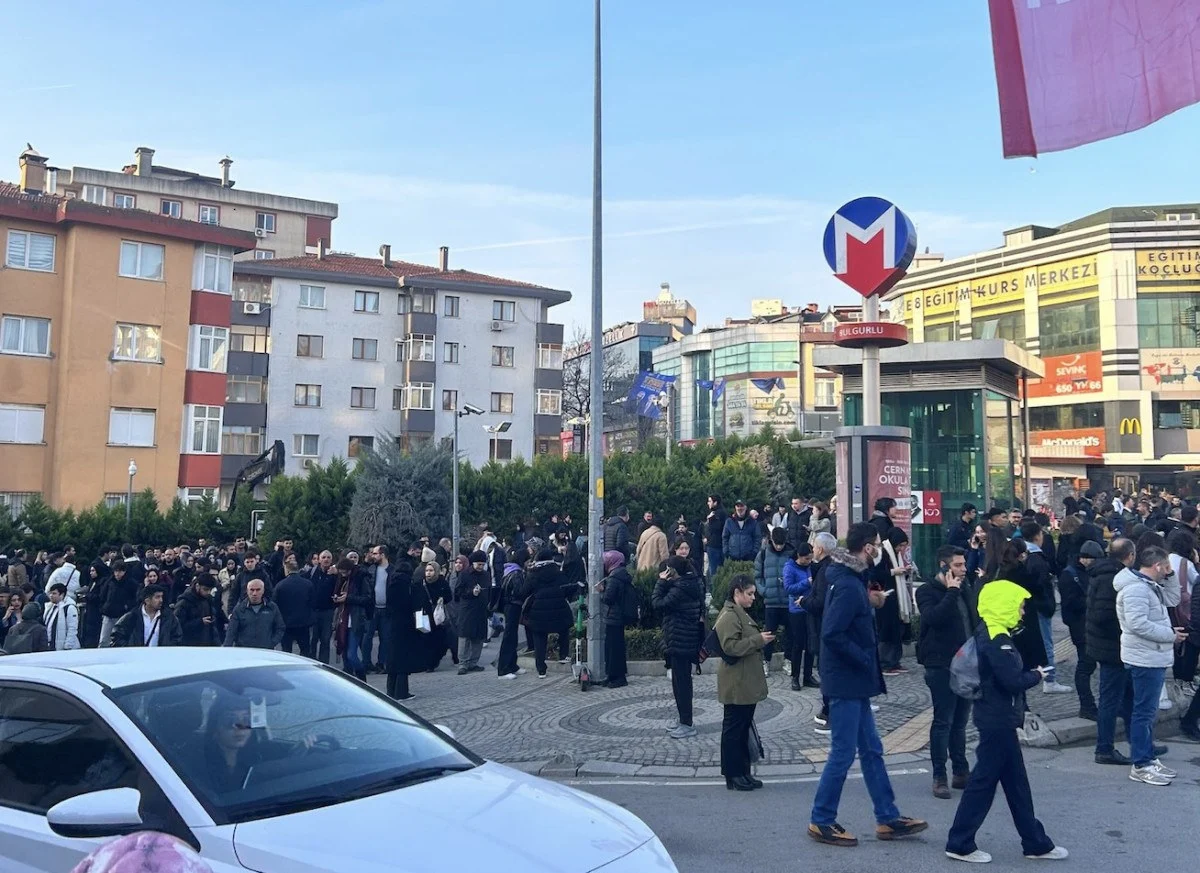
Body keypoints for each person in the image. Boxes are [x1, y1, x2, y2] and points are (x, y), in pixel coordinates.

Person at [808, 522, 927, 848]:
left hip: (853, 682)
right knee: (843, 753)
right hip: (847, 681)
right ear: (866, 547)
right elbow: (832, 634)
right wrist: (864, 659)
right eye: (876, 544)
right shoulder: (847, 584)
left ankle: (887, 817)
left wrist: (868, 599)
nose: (879, 549)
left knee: (872, 751)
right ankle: (821, 819)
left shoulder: (851, 579)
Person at [944, 580, 1067, 863]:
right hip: (997, 720)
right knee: (984, 784)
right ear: (1005, 606)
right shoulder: (998, 639)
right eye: (1020, 606)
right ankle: (961, 842)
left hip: (996, 718)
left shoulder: (990, 631)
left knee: (1015, 785)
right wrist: (1037, 675)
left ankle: (1035, 842)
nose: (1023, 612)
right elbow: (1011, 681)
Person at [1115, 545, 1183, 786]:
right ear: (1157, 566)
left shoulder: (1148, 586)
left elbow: (1173, 598)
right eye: (1166, 567)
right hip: (1144, 658)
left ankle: (1146, 758)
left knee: (1146, 711)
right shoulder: (1136, 590)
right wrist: (1169, 635)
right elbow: (1138, 624)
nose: (1168, 571)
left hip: (1150, 656)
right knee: (1143, 712)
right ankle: (1141, 763)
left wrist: (1172, 576)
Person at [916, 545, 977, 799]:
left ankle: (961, 771)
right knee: (944, 720)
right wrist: (952, 591)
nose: (963, 570)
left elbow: (973, 619)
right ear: (944, 566)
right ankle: (939, 775)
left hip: (966, 663)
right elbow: (933, 618)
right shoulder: (927, 591)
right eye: (958, 566)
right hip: (940, 664)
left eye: (964, 565)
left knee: (961, 721)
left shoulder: (965, 587)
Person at [715, 573, 772, 791]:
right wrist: (758, 640)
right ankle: (733, 775)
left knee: (742, 728)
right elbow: (731, 647)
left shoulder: (739, 613)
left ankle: (743, 772)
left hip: (744, 681)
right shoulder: (729, 615)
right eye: (749, 594)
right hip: (737, 682)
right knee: (734, 730)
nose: (753, 598)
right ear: (737, 593)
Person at [1086, 537, 1139, 765]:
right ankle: (1104, 748)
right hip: (1113, 649)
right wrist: (1126, 628)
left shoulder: (1106, 573)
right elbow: (1103, 616)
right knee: (1111, 700)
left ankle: (1139, 742)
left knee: (1129, 697)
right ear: (1129, 556)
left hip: (1114, 647)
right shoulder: (1113, 578)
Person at [652, 556, 705, 739]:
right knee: (680, 683)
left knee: (682, 684)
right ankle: (684, 720)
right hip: (684, 640)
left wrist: (660, 582)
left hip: (680, 641)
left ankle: (687, 723)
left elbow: (658, 603)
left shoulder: (680, 589)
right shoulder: (690, 585)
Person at [1059, 539, 1104, 719]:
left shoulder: (1083, 572)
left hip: (1088, 626)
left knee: (1090, 664)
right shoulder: (1070, 575)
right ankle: (1087, 705)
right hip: (1081, 627)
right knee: (1086, 665)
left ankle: (1091, 704)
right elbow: (1069, 607)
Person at [519, 547, 574, 677]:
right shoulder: (559, 573)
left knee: (539, 638)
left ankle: (541, 669)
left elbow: (524, 592)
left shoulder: (533, 574)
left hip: (538, 611)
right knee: (563, 630)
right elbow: (568, 589)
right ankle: (563, 655)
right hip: (559, 609)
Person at [755, 526, 794, 678]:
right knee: (769, 633)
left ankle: (788, 660)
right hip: (771, 601)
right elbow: (757, 575)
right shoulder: (764, 553)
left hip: (787, 600)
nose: (779, 547)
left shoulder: (791, 552)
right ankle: (766, 661)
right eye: (777, 544)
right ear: (772, 541)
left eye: (781, 544)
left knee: (789, 634)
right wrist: (763, 590)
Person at [808, 531, 837, 728]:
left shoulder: (826, 571)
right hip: (827, 628)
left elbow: (820, 602)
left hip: (824, 628)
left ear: (820, 549)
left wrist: (804, 602)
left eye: (814, 546)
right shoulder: (833, 568)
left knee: (826, 670)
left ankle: (830, 711)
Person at [385, 548, 422, 701]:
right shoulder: (409, 584)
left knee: (393, 657)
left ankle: (390, 690)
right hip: (406, 623)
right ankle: (402, 692)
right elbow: (414, 604)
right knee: (403, 659)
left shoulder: (392, 583)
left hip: (392, 623)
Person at [877, 527, 912, 675]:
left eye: (904, 545)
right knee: (887, 630)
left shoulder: (895, 554)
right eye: (901, 545)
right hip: (886, 596)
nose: (902, 549)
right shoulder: (882, 553)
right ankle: (885, 662)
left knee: (897, 628)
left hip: (897, 596)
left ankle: (894, 661)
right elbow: (876, 574)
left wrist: (904, 571)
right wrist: (894, 572)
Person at [783, 542, 816, 690]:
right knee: (798, 644)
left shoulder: (811, 566)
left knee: (811, 644)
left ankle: (808, 676)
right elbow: (788, 588)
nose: (809, 562)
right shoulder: (789, 567)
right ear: (799, 556)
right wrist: (806, 583)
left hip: (810, 608)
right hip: (796, 610)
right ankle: (795, 677)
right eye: (806, 559)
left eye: (810, 559)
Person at [453, 550, 492, 674]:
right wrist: (471, 592)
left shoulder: (486, 575)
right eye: (478, 564)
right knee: (465, 636)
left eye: (482, 564)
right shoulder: (464, 575)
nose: (480, 567)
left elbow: (489, 590)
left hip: (481, 609)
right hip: (467, 609)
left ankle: (473, 662)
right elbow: (458, 592)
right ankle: (463, 663)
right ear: (473, 564)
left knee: (478, 637)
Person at [598, 550, 632, 687]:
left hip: (614, 616)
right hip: (619, 616)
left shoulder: (613, 578)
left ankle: (617, 677)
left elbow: (608, 598)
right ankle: (613, 675)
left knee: (613, 649)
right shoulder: (622, 574)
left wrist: (601, 591)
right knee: (616, 647)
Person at [110, 585, 183, 647]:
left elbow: (177, 637)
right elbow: (117, 636)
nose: (161, 600)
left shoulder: (169, 617)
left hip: (161, 659)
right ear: (147, 600)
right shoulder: (132, 617)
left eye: (161, 597)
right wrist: (130, 649)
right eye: (157, 597)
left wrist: (167, 649)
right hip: (137, 659)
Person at [224, 579, 285, 651]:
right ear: (247, 591)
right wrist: (226, 650)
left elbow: (280, 627)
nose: (254, 593)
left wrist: (272, 642)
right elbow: (231, 632)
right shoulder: (239, 609)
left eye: (258, 590)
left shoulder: (272, 608)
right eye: (252, 590)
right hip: (245, 652)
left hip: (266, 651)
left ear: (263, 591)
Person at [496, 547, 530, 679]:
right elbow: (519, 591)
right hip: (512, 605)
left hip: (510, 606)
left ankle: (512, 665)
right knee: (509, 636)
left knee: (513, 636)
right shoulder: (516, 573)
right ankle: (503, 669)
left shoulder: (509, 569)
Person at [273, 554, 314, 657]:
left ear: (286, 569)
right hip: (303, 623)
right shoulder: (308, 584)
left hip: (286, 623)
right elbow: (313, 602)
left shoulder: (280, 586)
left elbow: (275, 604)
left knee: (286, 652)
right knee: (305, 650)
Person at [419, 560, 453, 671]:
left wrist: (442, 599)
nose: (428, 573)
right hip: (425, 615)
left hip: (438, 616)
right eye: (427, 570)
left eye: (431, 570)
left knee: (439, 640)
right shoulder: (421, 583)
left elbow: (449, 596)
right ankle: (428, 664)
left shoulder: (442, 582)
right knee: (426, 640)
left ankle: (434, 661)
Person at [174, 573, 222, 647]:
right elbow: (177, 626)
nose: (208, 592)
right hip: (189, 645)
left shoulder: (208, 599)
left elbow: (212, 627)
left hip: (207, 643)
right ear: (197, 586)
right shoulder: (184, 602)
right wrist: (200, 622)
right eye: (205, 589)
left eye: (210, 590)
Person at [100, 559, 138, 647]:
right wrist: (103, 608)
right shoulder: (109, 582)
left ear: (124, 571)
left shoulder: (131, 583)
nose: (117, 574)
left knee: (120, 639)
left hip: (122, 615)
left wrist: (127, 606)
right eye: (116, 571)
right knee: (104, 640)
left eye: (120, 571)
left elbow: (135, 599)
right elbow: (102, 595)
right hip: (108, 614)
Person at [227, 548, 271, 613]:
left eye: (252, 561)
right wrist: (230, 611)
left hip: (260, 606)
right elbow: (233, 594)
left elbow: (269, 591)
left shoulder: (263, 574)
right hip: (244, 606)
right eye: (247, 562)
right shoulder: (240, 576)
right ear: (244, 563)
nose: (250, 564)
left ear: (256, 561)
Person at [43, 581, 80, 651]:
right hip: (51, 646)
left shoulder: (70, 608)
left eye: (54, 593)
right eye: (50, 593)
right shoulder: (50, 607)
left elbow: (72, 629)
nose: (51, 595)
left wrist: (68, 646)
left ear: (62, 594)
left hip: (65, 648)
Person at [703, 494, 728, 581]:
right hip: (718, 545)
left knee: (714, 571)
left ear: (715, 502)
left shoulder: (717, 514)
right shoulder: (722, 513)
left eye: (710, 501)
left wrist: (710, 520)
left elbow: (716, 528)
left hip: (715, 545)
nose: (708, 503)